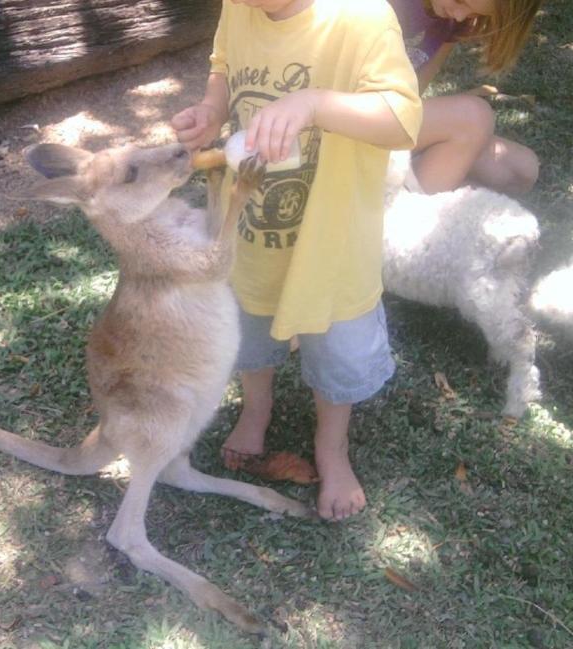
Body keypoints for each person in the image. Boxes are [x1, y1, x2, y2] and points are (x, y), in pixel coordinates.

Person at [171, 0, 422, 520]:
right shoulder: (240, 8)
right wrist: (212, 112)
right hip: (252, 235)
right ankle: (257, 408)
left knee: (336, 351)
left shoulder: (363, 18)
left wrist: (313, 105)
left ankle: (332, 446)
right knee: (250, 328)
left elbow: (402, 119)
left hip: (332, 246)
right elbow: (224, 67)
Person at [390, 0, 543, 194]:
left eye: (473, 14)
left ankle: (401, 185)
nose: (461, 15)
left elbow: (412, 92)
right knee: (474, 118)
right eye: (460, 0)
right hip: (352, 125)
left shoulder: (452, 19)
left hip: (393, 121)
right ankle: (405, 213)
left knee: (520, 171)